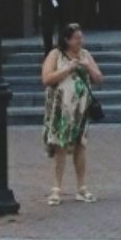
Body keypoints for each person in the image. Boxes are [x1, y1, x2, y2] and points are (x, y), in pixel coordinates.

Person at [40, 23, 104, 205]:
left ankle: (82, 187)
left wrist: (88, 67)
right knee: (60, 145)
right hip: (61, 110)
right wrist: (68, 68)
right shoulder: (56, 54)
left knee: (80, 146)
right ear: (67, 40)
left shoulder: (85, 54)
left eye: (81, 37)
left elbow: (99, 78)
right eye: (76, 38)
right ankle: (57, 188)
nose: (80, 41)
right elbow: (46, 78)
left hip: (81, 110)